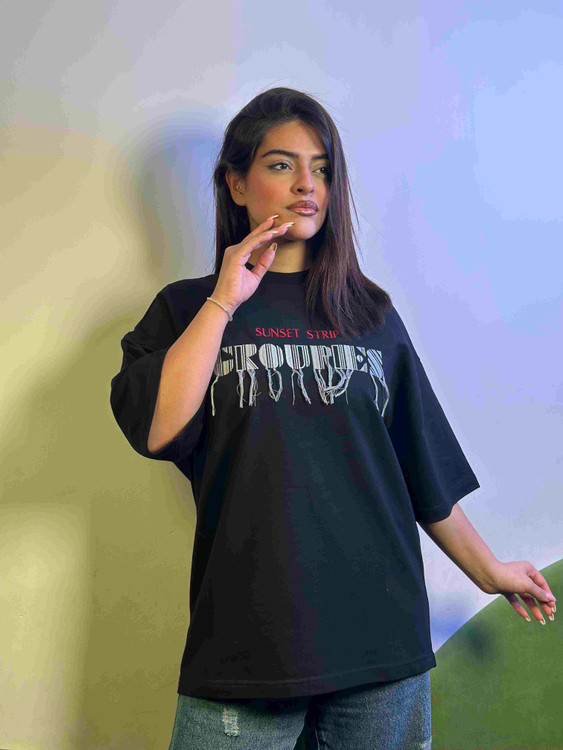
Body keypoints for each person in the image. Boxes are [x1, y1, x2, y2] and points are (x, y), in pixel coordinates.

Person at [109, 87, 556, 750]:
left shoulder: (369, 313)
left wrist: (487, 570)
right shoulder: (185, 310)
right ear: (236, 183)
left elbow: (419, 468)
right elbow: (159, 428)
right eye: (281, 165)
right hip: (247, 644)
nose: (306, 185)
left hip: (381, 648)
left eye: (320, 168)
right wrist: (225, 299)